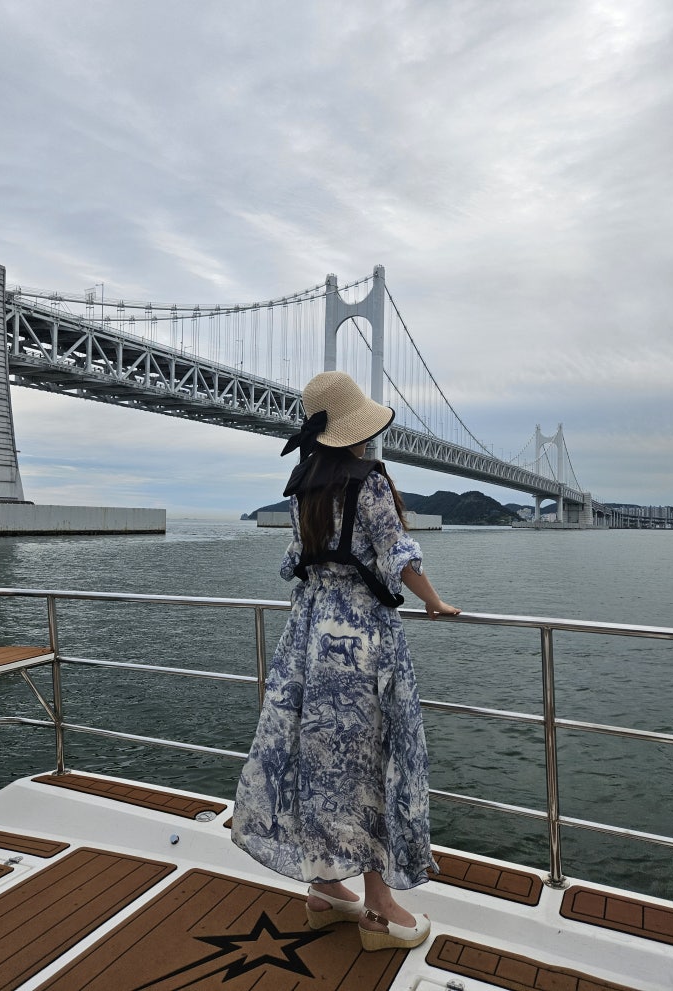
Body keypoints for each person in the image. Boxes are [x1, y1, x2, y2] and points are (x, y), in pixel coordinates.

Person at [231, 370, 461, 951]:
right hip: (360, 642)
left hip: (309, 639)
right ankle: (379, 909)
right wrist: (433, 601)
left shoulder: (302, 483)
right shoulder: (371, 482)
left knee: (320, 759)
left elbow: (296, 562)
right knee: (371, 762)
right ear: (356, 428)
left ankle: (326, 889)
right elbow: (396, 554)